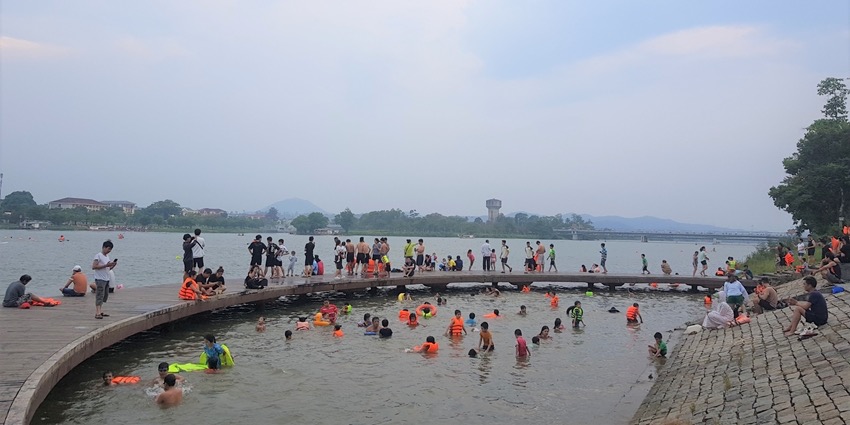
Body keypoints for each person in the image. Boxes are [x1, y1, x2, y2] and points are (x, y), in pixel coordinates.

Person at [92, 240, 117, 319]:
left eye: (110, 249)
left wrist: (113, 265)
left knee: (104, 296)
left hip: (106, 278)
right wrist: (106, 265)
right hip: (100, 279)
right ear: (104, 247)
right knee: (100, 295)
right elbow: (94, 266)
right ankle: (97, 313)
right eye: (108, 249)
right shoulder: (98, 256)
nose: (109, 251)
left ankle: (100, 311)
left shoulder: (107, 257)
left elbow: (108, 268)